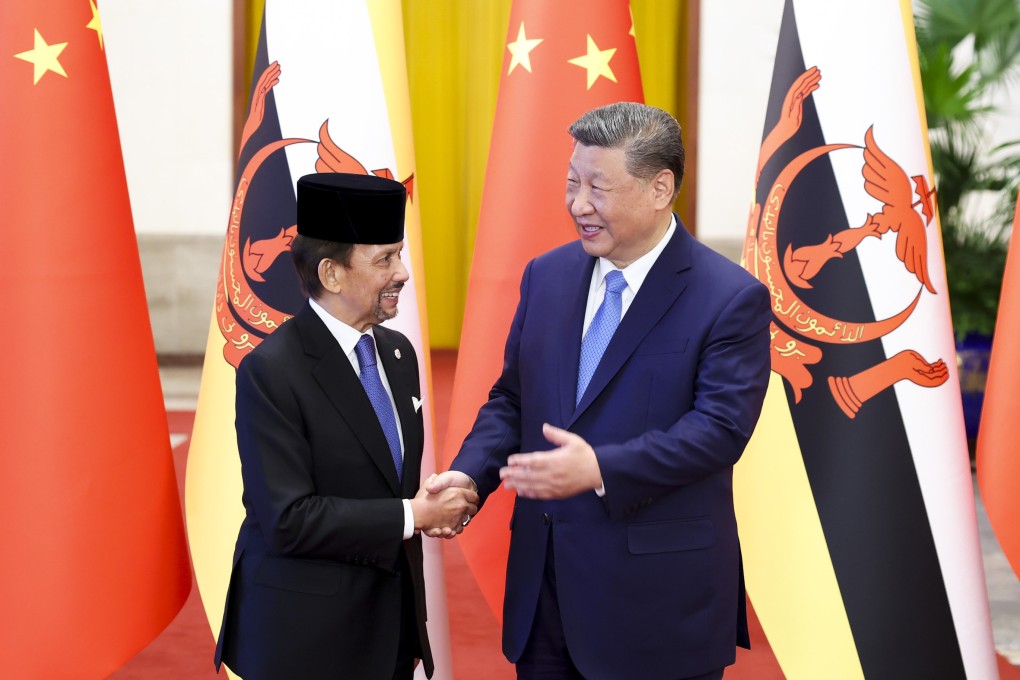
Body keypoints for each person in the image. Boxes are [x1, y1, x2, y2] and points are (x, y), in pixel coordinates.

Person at [429, 103, 772, 679]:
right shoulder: (548, 275)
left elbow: (719, 431)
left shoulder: (728, 298)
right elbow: (514, 397)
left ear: (660, 187)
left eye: (598, 187)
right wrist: (469, 475)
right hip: (546, 596)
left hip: (657, 607)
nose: (578, 204)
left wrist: (600, 469)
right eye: (571, 182)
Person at [215, 172, 479, 680]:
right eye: (385, 259)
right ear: (331, 274)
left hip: (391, 635)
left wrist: (430, 506)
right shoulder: (273, 371)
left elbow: (388, 478)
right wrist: (414, 515)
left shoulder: (397, 354)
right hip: (307, 641)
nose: (402, 273)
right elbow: (288, 518)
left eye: (400, 255)